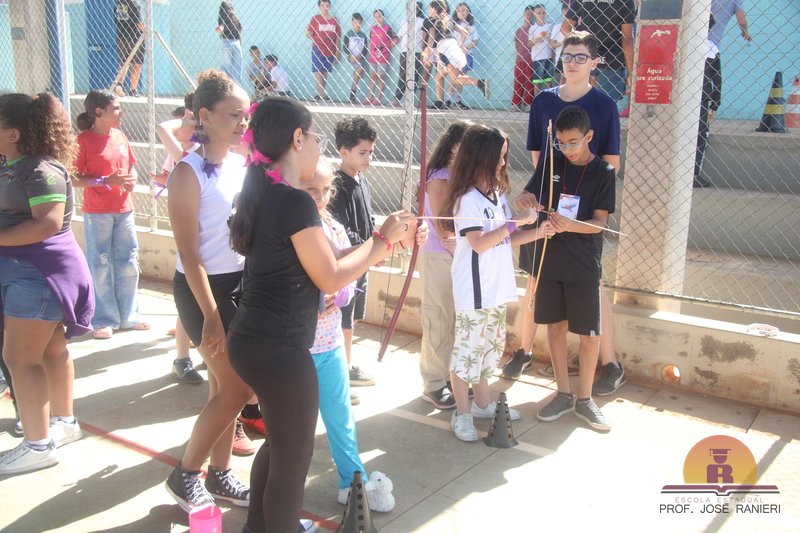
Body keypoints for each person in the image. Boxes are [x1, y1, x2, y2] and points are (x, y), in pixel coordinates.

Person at [226, 96, 414, 533]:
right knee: (293, 461)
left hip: (254, 341)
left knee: (280, 446)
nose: (317, 145)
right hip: (279, 348)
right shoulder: (293, 201)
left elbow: (327, 260)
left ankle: (257, 527)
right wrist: (382, 241)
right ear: (297, 139)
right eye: (315, 137)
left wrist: (385, 243)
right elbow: (330, 277)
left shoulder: (270, 194)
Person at [509, 31, 625, 398]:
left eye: (580, 56)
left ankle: (610, 363)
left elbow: (611, 161)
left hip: (583, 215)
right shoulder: (543, 101)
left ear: (594, 62)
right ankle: (525, 350)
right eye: (567, 55)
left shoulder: (604, 105)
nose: (572, 62)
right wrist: (542, 195)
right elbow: (539, 157)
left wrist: (580, 202)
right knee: (537, 278)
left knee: (593, 287)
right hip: (548, 206)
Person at [163, 70, 254, 511]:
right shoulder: (187, 172)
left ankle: (220, 474)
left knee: (225, 388)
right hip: (202, 291)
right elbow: (189, 253)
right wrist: (212, 316)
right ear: (205, 115)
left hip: (239, 285)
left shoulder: (239, 165)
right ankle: (185, 474)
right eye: (234, 114)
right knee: (236, 389)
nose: (243, 123)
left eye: (246, 115)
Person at [439, 124, 552, 442]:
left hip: (496, 287)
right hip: (475, 290)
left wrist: (539, 232)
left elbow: (506, 239)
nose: (503, 163)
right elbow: (479, 243)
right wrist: (515, 222)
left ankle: (483, 404)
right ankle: (462, 414)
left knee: (489, 350)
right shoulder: (467, 199)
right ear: (481, 157)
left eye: (504, 156)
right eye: (499, 156)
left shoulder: (497, 194)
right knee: (467, 353)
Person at [0, 93, 93, 474]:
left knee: (20, 359)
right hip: (28, 272)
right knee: (52, 350)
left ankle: (38, 446)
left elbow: (48, 224)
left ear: (13, 133)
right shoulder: (12, 163)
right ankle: (64, 423)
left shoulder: (40, 169)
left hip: (39, 274)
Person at [300, 159, 396, 512]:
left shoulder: (333, 226)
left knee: (341, 419)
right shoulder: (292, 230)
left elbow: (347, 271)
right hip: (296, 348)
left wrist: (389, 242)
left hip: (329, 344)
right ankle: (282, 496)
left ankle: (351, 482)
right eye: (311, 189)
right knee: (295, 430)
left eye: (326, 190)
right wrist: (316, 297)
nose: (320, 197)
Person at [526, 106, 615, 431]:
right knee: (555, 326)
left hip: (584, 263)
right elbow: (529, 193)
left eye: (573, 142)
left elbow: (599, 223)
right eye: (561, 142)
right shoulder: (552, 162)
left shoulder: (604, 171)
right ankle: (563, 393)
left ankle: (585, 398)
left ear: (589, 136)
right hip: (551, 259)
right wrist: (525, 200)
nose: (567, 149)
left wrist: (570, 224)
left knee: (589, 334)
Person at [73, 90, 149, 340]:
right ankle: (104, 319)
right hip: (98, 213)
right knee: (100, 264)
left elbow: (131, 165)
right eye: (115, 108)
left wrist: (132, 179)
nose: (120, 113)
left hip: (124, 210)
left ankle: (130, 316)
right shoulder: (83, 141)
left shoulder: (120, 135)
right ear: (98, 112)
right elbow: (73, 177)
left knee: (129, 261)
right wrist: (104, 181)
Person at [419, 121, 471, 410]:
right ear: (453, 146)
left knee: (452, 320)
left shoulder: (460, 174)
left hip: (455, 254)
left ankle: (449, 378)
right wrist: (459, 246)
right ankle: (434, 384)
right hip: (440, 254)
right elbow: (443, 224)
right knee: (438, 319)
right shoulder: (439, 176)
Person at [329, 118, 379, 396]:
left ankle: (345, 366)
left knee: (354, 317)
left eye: (371, 152)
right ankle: (341, 374)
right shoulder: (337, 186)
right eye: (362, 152)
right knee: (344, 320)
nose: (368, 157)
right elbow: (343, 231)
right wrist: (372, 248)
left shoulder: (363, 180)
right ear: (344, 151)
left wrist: (377, 243)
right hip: (349, 263)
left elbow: (367, 220)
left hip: (364, 260)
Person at [423, 1, 490, 110]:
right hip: (454, 48)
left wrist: (427, 55)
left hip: (445, 51)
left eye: (430, 9)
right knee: (439, 76)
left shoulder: (431, 20)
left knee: (455, 79)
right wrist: (461, 45)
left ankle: (480, 83)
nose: (429, 11)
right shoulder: (448, 19)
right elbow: (464, 32)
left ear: (434, 9)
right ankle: (439, 102)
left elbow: (431, 39)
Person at [573, 0, 636, 115]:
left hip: (587, 53)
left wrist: (579, 46)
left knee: (585, 105)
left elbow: (565, 27)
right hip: (612, 59)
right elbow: (627, 38)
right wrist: (631, 73)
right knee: (605, 107)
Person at [694, 15, 722, 189]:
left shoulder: (683, 44)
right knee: (699, 136)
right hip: (702, 98)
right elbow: (717, 78)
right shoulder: (711, 48)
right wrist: (716, 101)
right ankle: (694, 174)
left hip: (684, 96)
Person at [307, 0, 341, 102]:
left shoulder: (334, 21)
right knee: (318, 71)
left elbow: (338, 37)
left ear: (330, 6)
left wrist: (337, 51)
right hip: (317, 48)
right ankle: (322, 96)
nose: (324, 7)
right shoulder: (315, 19)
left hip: (330, 49)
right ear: (319, 7)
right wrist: (316, 39)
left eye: (327, 5)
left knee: (325, 72)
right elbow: (308, 33)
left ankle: (319, 94)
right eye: (322, 5)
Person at [447, 3, 479, 109]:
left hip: (466, 54)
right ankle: (448, 100)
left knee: (462, 77)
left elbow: (476, 41)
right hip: (455, 54)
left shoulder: (472, 26)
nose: (461, 12)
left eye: (464, 10)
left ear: (468, 12)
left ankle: (458, 101)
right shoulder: (453, 24)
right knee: (454, 77)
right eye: (459, 10)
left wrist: (467, 47)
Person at [364, 10, 399, 106]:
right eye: (376, 17)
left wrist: (386, 48)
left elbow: (396, 39)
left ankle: (378, 98)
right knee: (372, 76)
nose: (378, 18)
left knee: (381, 76)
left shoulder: (387, 28)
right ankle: (370, 97)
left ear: (383, 17)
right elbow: (371, 41)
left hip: (383, 57)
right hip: (373, 56)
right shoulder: (372, 29)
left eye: (379, 16)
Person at [395, 2, 426, 103]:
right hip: (405, 51)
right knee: (403, 75)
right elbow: (400, 36)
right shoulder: (404, 21)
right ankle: (397, 98)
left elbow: (425, 38)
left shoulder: (422, 22)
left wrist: (423, 53)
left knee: (414, 76)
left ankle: (409, 100)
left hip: (416, 52)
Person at [113, 0, 145, 97]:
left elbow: (116, 20)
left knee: (124, 62)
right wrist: (147, 31)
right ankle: (133, 90)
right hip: (135, 36)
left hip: (121, 36)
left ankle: (119, 84)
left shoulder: (118, 3)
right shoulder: (135, 3)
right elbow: (139, 24)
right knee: (137, 63)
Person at [528, 4, 555, 97]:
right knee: (537, 82)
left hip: (548, 57)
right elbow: (529, 44)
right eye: (539, 13)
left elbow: (553, 41)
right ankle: (537, 101)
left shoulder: (550, 26)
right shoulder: (532, 28)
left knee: (549, 82)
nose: (541, 15)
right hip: (537, 58)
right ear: (534, 14)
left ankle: (548, 100)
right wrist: (537, 39)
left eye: (543, 13)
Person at [512, 5, 535, 112]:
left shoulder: (534, 29)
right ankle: (516, 103)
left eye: (531, 15)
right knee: (518, 82)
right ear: (524, 15)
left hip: (530, 60)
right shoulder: (519, 31)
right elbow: (517, 46)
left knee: (529, 82)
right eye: (527, 14)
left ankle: (528, 103)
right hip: (519, 60)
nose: (529, 16)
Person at [216, 1, 244, 86]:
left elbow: (221, 27)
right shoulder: (236, 18)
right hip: (237, 43)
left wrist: (218, 30)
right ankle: (237, 88)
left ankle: (225, 88)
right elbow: (240, 30)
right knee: (237, 70)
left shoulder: (223, 16)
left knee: (225, 69)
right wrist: (240, 45)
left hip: (227, 42)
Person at [549, 4, 579, 82]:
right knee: (562, 81)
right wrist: (561, 43)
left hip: (575, 58)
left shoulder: (577, 26)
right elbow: (551, 44)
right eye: (569, 12)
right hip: (561, 58)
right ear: (563, 12)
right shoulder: (557, 27)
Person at [344, 13, 369, 104]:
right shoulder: (349, 34)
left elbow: (365, 49)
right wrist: (351, 55)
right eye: (355, 22)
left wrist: (361, 56)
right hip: (351, 57)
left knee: (359, 71)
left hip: (360, 58)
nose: (357, 24)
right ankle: (353, 92)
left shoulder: (363, 35)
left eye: (359, 22)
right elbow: (345, 47)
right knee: (359, 70)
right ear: (352, 22)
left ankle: (353, 92)